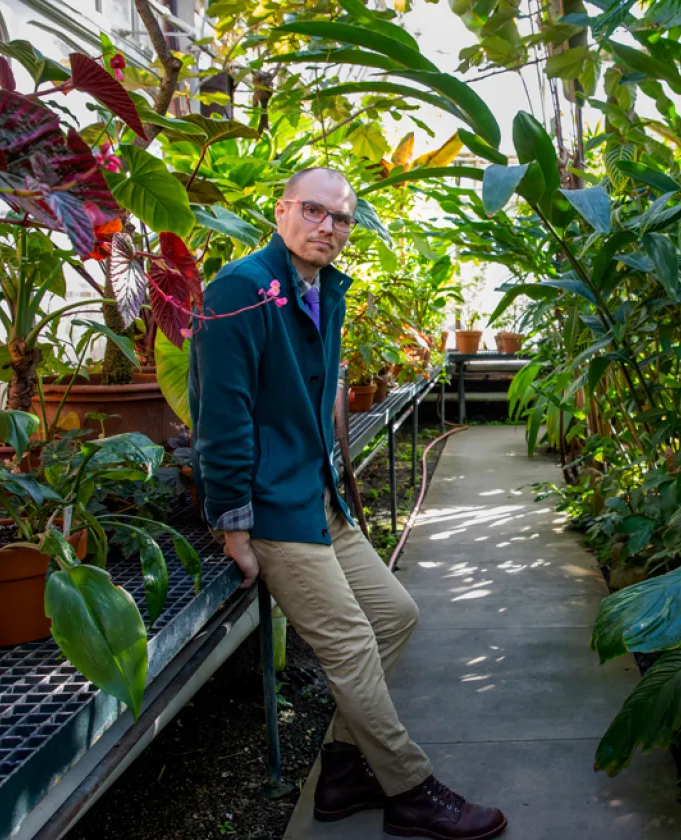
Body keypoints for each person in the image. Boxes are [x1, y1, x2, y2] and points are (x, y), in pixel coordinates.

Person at [188, 167, 507, 840]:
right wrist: (233, 526)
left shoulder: (322, 290)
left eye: (341, 218)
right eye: (314, 210)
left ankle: (340, 768)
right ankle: (410, 787)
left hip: (318, 496)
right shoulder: (240, 291)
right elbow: (222, 416)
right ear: (281, 211)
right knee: (351, 641)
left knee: (395, 615)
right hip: (272, 509)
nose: (328, 226)